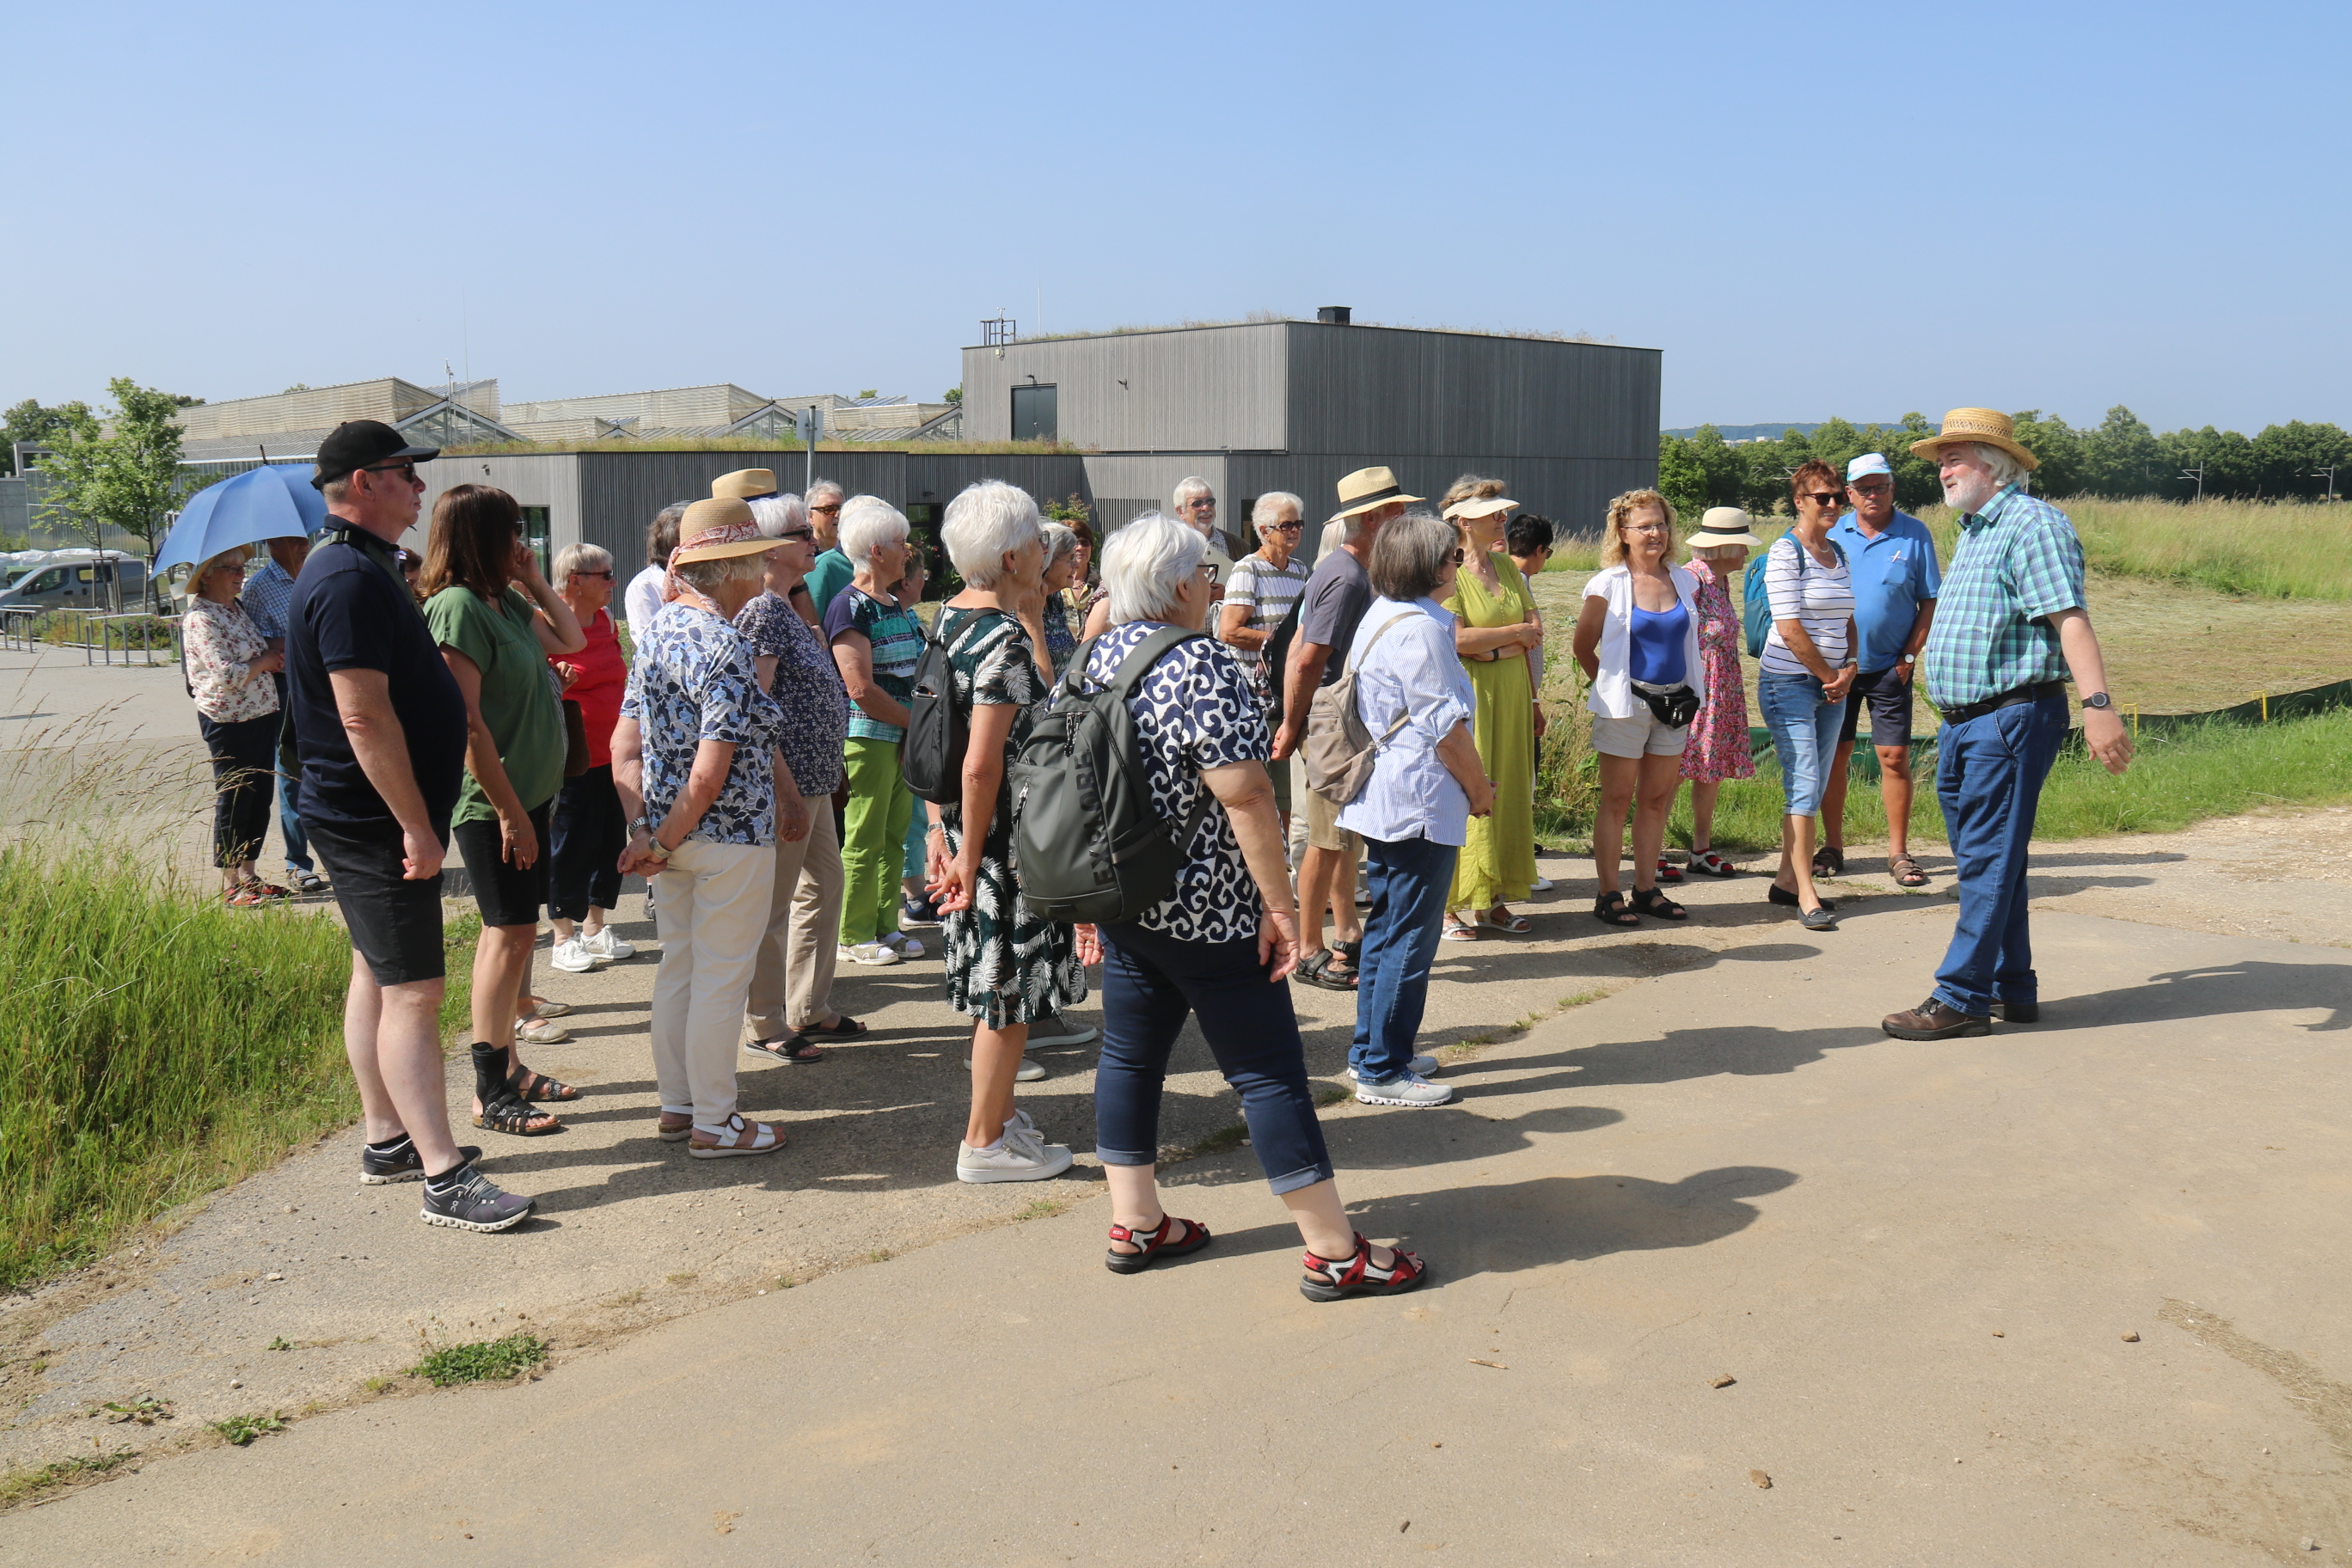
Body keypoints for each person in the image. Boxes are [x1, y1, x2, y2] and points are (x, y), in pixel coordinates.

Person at [1073, 513, 1430, 1298]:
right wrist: (1278, 910)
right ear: (1175, 586)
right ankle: (1334, 1249)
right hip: (1210, 908)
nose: (1211, 581)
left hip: (1125, 898)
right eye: (1202, 570)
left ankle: (1135, 1221)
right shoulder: (1200, 665)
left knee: (1130, 1056)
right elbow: (1248, 799)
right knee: (1269, 1075)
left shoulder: (1093, 657)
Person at [287, 420, 523, 1230]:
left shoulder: (361, 567)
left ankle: (388, 1138)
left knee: (378, 976)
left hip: (365, 813)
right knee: (417, 993)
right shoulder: (347, 579)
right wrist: (416, 827)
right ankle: (443, 1176)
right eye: (405, 474)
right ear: (362, 483)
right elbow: (361, 715)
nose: (421, 488)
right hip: (372, 817)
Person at [1883, 410, 2132, 1040]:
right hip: (1968, 723)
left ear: (1993, 466)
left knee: (1989, 859)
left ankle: (1960, 995)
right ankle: (2009, 986)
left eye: (1955, 458)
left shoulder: (2032, 524)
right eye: (1941, 459)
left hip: (2010, 717)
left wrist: (2097, 708)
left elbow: (2068, 619)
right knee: (1993, 860)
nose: (1942, 470)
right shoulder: (1975, 529)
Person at [614, 497, 800, 1157]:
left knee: (681, 970)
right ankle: (715, 1122)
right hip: (725, 836)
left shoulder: (659, 631)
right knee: (720, 978)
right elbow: (711, 771)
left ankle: (679, 1104)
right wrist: (658, 838)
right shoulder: (723, 644)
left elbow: (625, 746)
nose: (763, 572)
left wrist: (646, 831)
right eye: (757, 560)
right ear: (733, 568)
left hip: (674, 836)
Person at [926, 480, 1089, 1179]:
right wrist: (968, 852)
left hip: (969, 838)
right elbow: (980, 763)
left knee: (991, 991)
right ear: (1018, 553)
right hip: (1002, 849)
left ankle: (995, 1117)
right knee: (1006, 996)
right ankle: (984, 1144)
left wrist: (941, 833)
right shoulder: (1001, 640)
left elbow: (937, 736)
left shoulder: (947, 619)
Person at [422, 486, 587, 1136]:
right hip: (494, 805)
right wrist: (510, 813)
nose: (524, 540)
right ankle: (489, 1090)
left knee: (520, 933)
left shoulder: (501, 600)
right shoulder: (458, 608)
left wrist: (532, 580)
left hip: (531, 795)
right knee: (507, 933)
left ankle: (511, 1068)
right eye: (515, 530)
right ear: (479, 536)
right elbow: (465, 727)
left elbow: (570, 638)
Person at [1338, 511, 1497, 1109]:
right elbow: (1446, 730)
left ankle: (1375, 1050)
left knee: (1387, 926)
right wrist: (1480, 791)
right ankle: (1383, 1068)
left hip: (1390, 793)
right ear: (1432, 566)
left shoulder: (1385, 612)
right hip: (1418, 798)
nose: (1459, 563)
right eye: (1454, 556)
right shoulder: (1425, 628)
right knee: (1409, 935)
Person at [1274, 467, 1418, 989]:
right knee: (1326, 839)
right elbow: (1309, 656)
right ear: (1374, 517)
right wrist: (1293, 724)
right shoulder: (1348, 575)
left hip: (1338, 716)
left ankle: (1346, 932)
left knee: (1341, 836)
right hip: (1334, 718)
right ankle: (1308, 948)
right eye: (1397, 508)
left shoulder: (1352, 567)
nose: (1405, 516)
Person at [737, 493, 855, 1063]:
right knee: (774, 904)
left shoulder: (784, 605)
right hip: (789, 784)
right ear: (771, 547)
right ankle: (764, 1020)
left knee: (826, 884)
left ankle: (806, 1004)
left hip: (815, 780)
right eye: (801, 533)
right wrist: (783, 790)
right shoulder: (761, 609)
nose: (813, 539)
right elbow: (754, 704)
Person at [1572, 490, 1707, 928]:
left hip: (1674, 705)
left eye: (1661, 524)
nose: (1655, 533)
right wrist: (1614, 688)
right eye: (1644, 526)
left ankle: (1646, 889)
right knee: (1615, 801)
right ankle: (1608, 893)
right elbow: (1582, 645)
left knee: (1655, 800)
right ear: (1623, 533)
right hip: (1625, 706)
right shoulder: (1607, 584)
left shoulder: (1685, 580)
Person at [1820, 453, 1942, 888]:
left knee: (1894, 756)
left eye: (1881, 486)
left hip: (1891, 667)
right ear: (1848, 493)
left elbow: (1929, 600)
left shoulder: (1914, 534)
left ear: (1893, 488)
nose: (1874, 495)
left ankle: (1898, 853)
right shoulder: (1832, 530)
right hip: (1837, 668)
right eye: (1864, 488)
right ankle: (1832, 845)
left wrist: (1909, 655)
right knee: (1836, 755)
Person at [1755, 462, 1858, 930]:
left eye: (1839, 496)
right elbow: (1789, 627)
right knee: (1803, 784)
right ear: (1800, 501)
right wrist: (1828, 676)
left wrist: (1849, 667)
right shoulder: (1784, 553)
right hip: (1789, 684)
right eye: (1823, 497)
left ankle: (1786, 882)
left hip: (1831, 685)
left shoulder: (1839, 551)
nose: (1834, 504)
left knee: (1811, 787)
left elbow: (1847, 619)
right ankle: (1808, 893)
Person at [824, 496, 926, 966]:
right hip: (867, 738)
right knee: (863, 836)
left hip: (902, 738)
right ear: (875, 550)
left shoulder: (895, 603)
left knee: (894, 836)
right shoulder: (850, 607)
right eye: (899, 542)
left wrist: (915, 729)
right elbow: (860, 689)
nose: (907, 550)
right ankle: (853, 932)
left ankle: (886, 924)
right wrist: (916, 723)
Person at [1439, 495, 1540, 941]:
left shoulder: (1507, 570)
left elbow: (1535, 629)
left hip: (1513, 691)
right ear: (1464, 522)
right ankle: (1450, 902)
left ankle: (1493, 897)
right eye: (1493, 514)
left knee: (1509, 785)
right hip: (1472, 694)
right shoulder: (1449, 570)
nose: (1504, 519)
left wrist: (1499, 645)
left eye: (1503, 512)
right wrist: (1512, 637)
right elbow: (1457, 639)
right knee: (1469, 787)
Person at [546, 543, 634, 973]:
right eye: (605, 575)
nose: (613, 582)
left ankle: (595, 928)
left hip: (614, 752)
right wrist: (555, 685)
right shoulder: (547, 625)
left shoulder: (605, 623)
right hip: (572, 757)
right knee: (570, 843)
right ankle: (562, 933)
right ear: (575, 580)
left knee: (608, 840)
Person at [184, 545, 286, 905]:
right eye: (231, 568)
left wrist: (276, 652)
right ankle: (231, 884)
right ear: (207, 575)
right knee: (235, 796)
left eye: (243, 567)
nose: (240, 573)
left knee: (259, 796)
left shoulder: (235, 608)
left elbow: (254, 650)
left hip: (260, 712)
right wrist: (266, 661)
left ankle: (250, 875)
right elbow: (227, 674)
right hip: (229, 719)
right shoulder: (201, 617)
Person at [1678, 508, 1766, 877]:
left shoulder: (1720, 581)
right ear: (1725, 547)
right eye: (1742, 546)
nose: (1746, 554)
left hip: (1721, 689)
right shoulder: (1689, 579)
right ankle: (1648, 854)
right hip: (1695, 689)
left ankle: (1701, 849)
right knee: (1674, 769)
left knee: (1708, 770)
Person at [1218, 492, 1311, 833]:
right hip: (1255, 695)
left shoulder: (1301, 571)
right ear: (1263, 530)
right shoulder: (1248, 569)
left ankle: (1286, 854)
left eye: (1297, 523)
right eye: (1285, 525)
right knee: (1263, 778)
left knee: (1287, 781)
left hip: (1289, 690)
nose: (1294, 531)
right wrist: (1278, 642)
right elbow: (1229, 631)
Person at [239, 532, 325, 893]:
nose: (303, 543)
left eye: (304, 536)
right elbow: (259, 644)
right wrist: (299, 642)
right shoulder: (258, 588)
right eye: (292, 539)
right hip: (288, 687)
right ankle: (297, 863)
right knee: (292, 772)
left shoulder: (321, 571)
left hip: (331, 681)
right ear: (271, 544)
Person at [1504, 511, 1559, 890]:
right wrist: (1535, 701)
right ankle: (1517, 866)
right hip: (1518, 697)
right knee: (1522, 782)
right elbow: (1525, 646)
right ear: (1539, 550)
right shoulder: (1514, 583)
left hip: (1517, 695)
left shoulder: (1504, 577)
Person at [624, 500, 693, 647]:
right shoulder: (644, 586)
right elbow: (650, 643)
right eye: (689, 537)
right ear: (667, 542)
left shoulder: (706, 579)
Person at [1172, 476, 1230, 602]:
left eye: (1210, 501)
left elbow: (1249, 589)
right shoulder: (1172, 547)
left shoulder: (1236, 545)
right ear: (1181, 511)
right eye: (1197, 504)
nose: (1205, 508)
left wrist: (1230, 593)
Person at [801, 478, 852, 622]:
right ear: (811, 517)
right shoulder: (802, 557)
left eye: (841, 508)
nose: (838, 515)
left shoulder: (854, 555)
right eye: (829, 509)